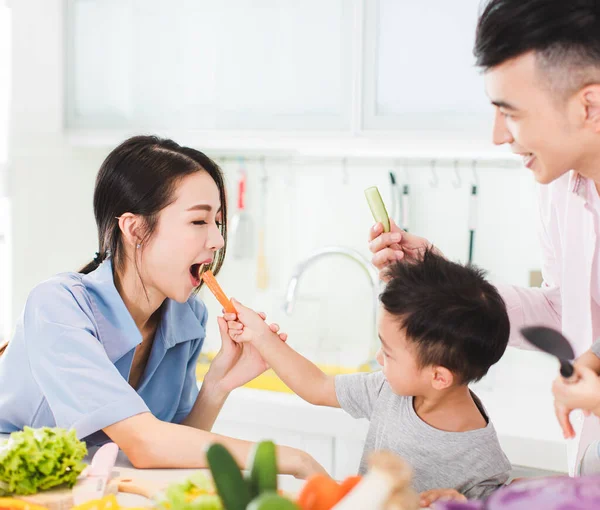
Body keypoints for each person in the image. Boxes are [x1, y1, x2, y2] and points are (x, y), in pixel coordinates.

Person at [0, 135, 325, 477]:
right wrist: (291, 459)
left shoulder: (188, 317)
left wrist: (218, 384)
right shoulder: (58, 307)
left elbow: (173, 446)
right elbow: (144, 444)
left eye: (217, 221)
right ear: (135, 228)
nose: (218, 240)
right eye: (199, 221)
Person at [369, 0, 600, 475]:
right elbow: (565, 313)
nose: (498, 136)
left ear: (588, 105)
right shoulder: (559, 187)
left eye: (509, 113)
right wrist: (446, 284)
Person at [226, 250, 512, 505]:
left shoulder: (483, 465)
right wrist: (261, 336)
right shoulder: (390, 389)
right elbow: (318, 386)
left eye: (388, 353)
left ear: (438, 377)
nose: (378, 359)